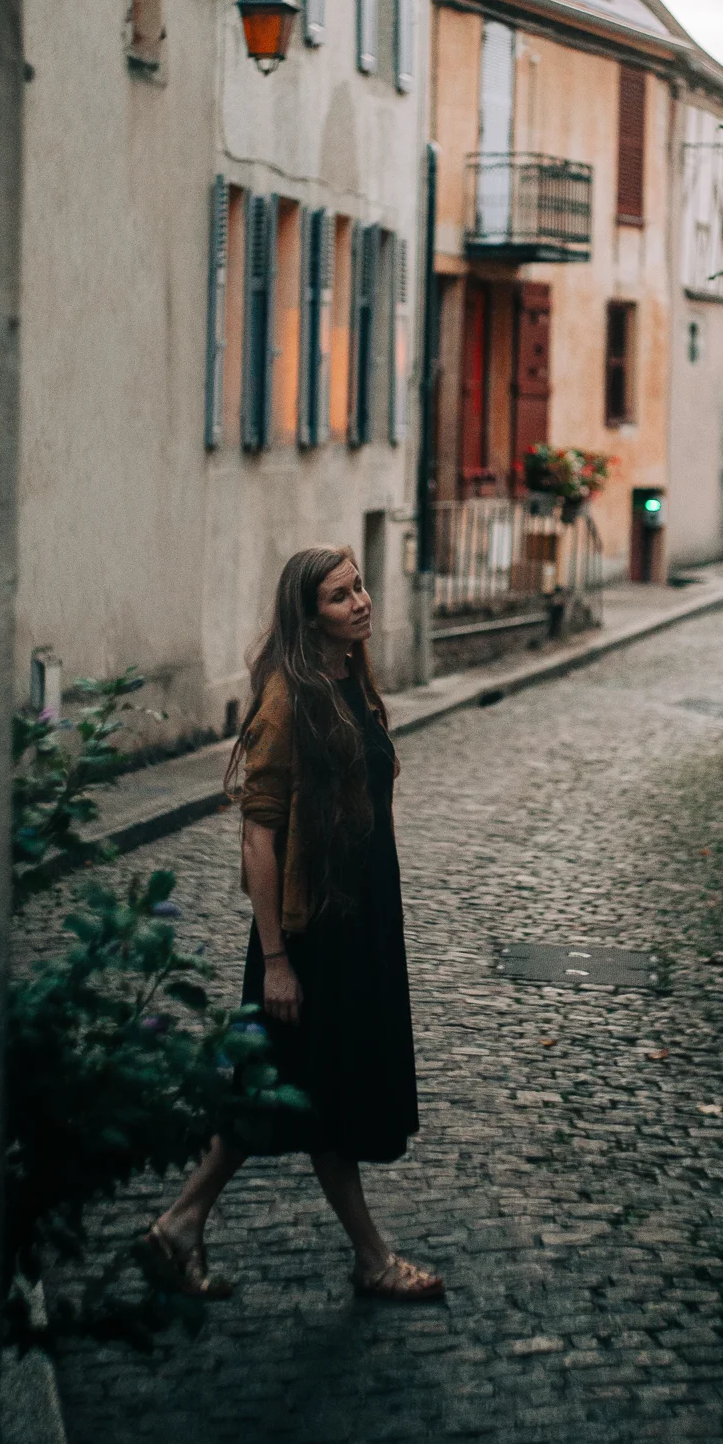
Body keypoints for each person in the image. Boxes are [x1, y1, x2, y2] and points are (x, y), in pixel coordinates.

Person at [138, 546, 444, 1303]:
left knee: (283, 1089)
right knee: (316, 1092)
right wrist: (277, 959)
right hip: (312, 937)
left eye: (360, 588)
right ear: (308, 616)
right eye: (341, 598)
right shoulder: (287, 699)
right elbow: (258, 834)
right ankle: (372, 1259)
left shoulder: (350, 679)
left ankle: (179, 1226)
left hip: (359, 921)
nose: (362, 603)